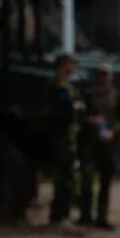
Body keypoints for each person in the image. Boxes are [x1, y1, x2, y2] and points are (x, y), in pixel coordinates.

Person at [80, 62, 120, 230]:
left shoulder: (117, 97)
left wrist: (114, 131)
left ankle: (101, 216)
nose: (103, 78)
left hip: (108, 143)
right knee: (87, 180)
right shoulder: (89, 96)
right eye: (101, 75)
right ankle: (85, 215)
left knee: (105, 181)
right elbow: (80, 115)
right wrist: (90, 121)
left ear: (111, 77)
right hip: (90, 142)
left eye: (106, 75)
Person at [46, 53, 85, 226]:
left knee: (68, 177)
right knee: (64, 178)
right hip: (61, 136)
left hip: (68, 135)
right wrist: (75, 106)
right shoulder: (58, 85)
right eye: (71, 64)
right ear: (64, 65)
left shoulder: (68, 86)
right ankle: (59, 215)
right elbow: (65, 109)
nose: (74, 67)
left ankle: (62, 214)